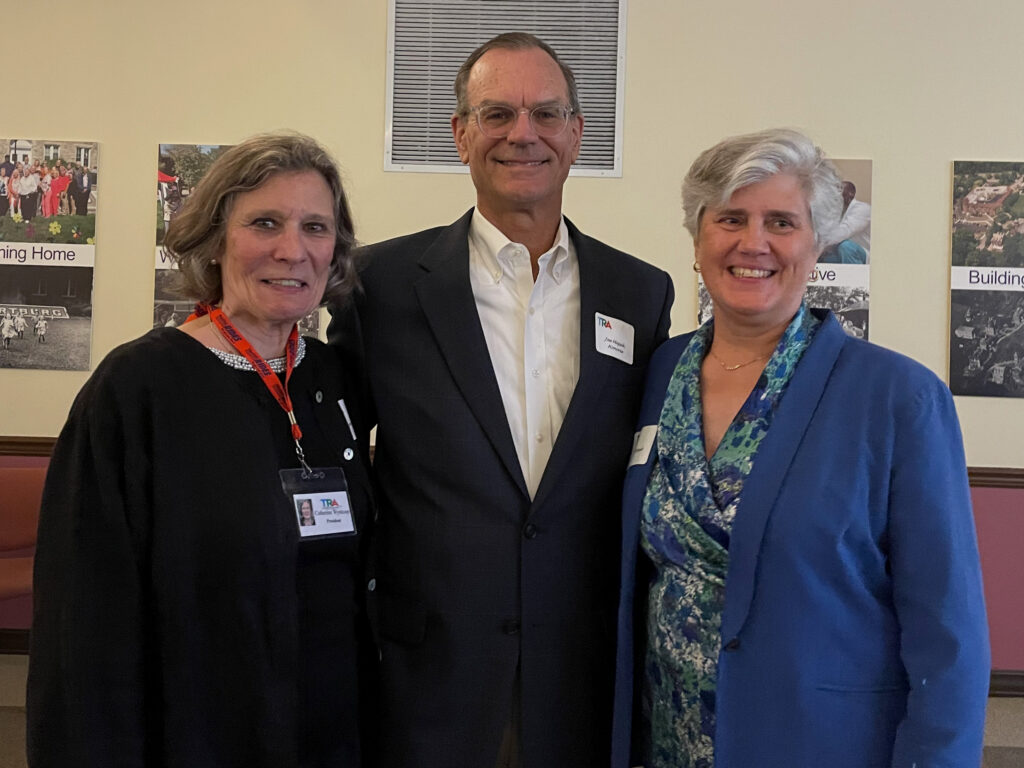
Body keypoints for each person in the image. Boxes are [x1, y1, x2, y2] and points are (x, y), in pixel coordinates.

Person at [328, 32, 673, 768]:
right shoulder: (381, 287)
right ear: (461, 135)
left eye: (547, 114)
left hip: (582, 666)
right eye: (497, 114)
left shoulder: (640, 294)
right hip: (431, 667)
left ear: (576, 135)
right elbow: (340, 461)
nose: (524, 133)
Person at [611, 128, 990, 768]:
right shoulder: (659, 372)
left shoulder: (899, 398)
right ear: (699, 238)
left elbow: (948, 632)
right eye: (730, 218)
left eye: (781, 222)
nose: (752, 242)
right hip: (667, 738)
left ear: (818, 243)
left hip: (819, 742)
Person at [28, 132, 377, 767]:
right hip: (199, 730)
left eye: (316, 227)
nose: (291, 249)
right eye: (264, 223)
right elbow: (84, 619)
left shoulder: (333, 378)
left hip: (331, 729)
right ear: (215, 240)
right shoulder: (138, 387)